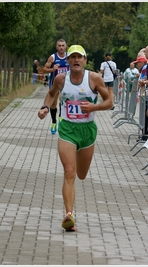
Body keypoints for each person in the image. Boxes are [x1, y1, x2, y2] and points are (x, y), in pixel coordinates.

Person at [38, 45, 112, 231]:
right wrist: (45, 108)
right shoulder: (62, 79)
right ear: (68, 60)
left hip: (87, 130)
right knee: (70, 171)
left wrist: (93, 108)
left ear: (85, 60)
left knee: (81, 174)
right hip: (67, 129)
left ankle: (69, 211)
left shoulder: (94, 78)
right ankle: (68, 215)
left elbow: (110, 101)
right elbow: (51, 94)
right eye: (72, 57)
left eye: (79, 57)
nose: (76, 60)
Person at [43, 39, 70, 135]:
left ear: (66, 47)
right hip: (54, 84)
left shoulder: (69, 56)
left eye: (63, 45)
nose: (61, 47)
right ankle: (54, 122)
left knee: (62, 101)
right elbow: (44, 69)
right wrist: (52, 69)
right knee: (53, 105)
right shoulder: (53, 57)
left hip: (65, 84)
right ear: (56, 47)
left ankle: (61, 117)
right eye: (59, 45)